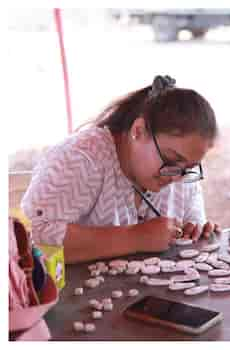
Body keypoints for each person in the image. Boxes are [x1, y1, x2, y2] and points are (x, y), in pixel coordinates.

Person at [22, 75, 219, 264]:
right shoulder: (81, 158)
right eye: (170, 160)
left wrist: (196, 232)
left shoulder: (179, 175)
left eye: (189, 169)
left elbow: (193, 221)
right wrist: (135, 237)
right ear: (138, 131)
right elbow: (33, 236)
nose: (176, 178)